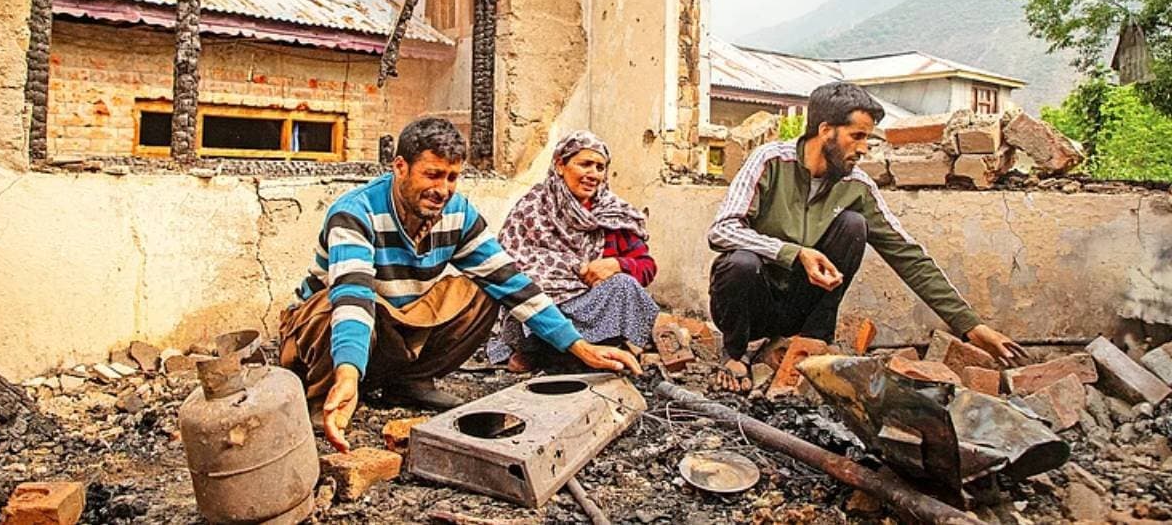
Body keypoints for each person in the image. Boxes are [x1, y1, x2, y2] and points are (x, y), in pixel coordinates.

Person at [278, 118, 640, 451]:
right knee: (337, 303)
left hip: (393, 325)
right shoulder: (356, 212)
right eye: (432, 175)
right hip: (327, 331)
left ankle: (408, 383)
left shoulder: (457, 213)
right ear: (399, 167)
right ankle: (328, 392)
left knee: (484, 293)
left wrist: (581, 347)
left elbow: (512, 283)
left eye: (451, 177)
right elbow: (353, 295)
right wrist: (347, 373)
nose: (442, 189)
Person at [707, 82, 1027, 391]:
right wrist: (793, 252)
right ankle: (735, 354)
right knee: (741, 262)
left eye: (868, 139)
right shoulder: (769, 162)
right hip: (749, 302)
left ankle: (811, 342)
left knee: (853, 225)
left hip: (799, 306)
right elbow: (721, 230)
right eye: (857, 136)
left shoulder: (857, 185)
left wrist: (971, 326)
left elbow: (909, 256)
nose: (863, 149)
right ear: (825, 130)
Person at [487, 131, 659, 372]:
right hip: (543, 311)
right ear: (560, 165)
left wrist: (617, 264)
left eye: (600, 167)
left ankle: (585, 353)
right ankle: (545, 352)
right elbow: (508, 265)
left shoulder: (613, 214)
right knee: (524, 289)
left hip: (593, 311)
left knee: (623, 285)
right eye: (585, 164)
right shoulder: (533, 208)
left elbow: (647, 266)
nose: (593, 174)